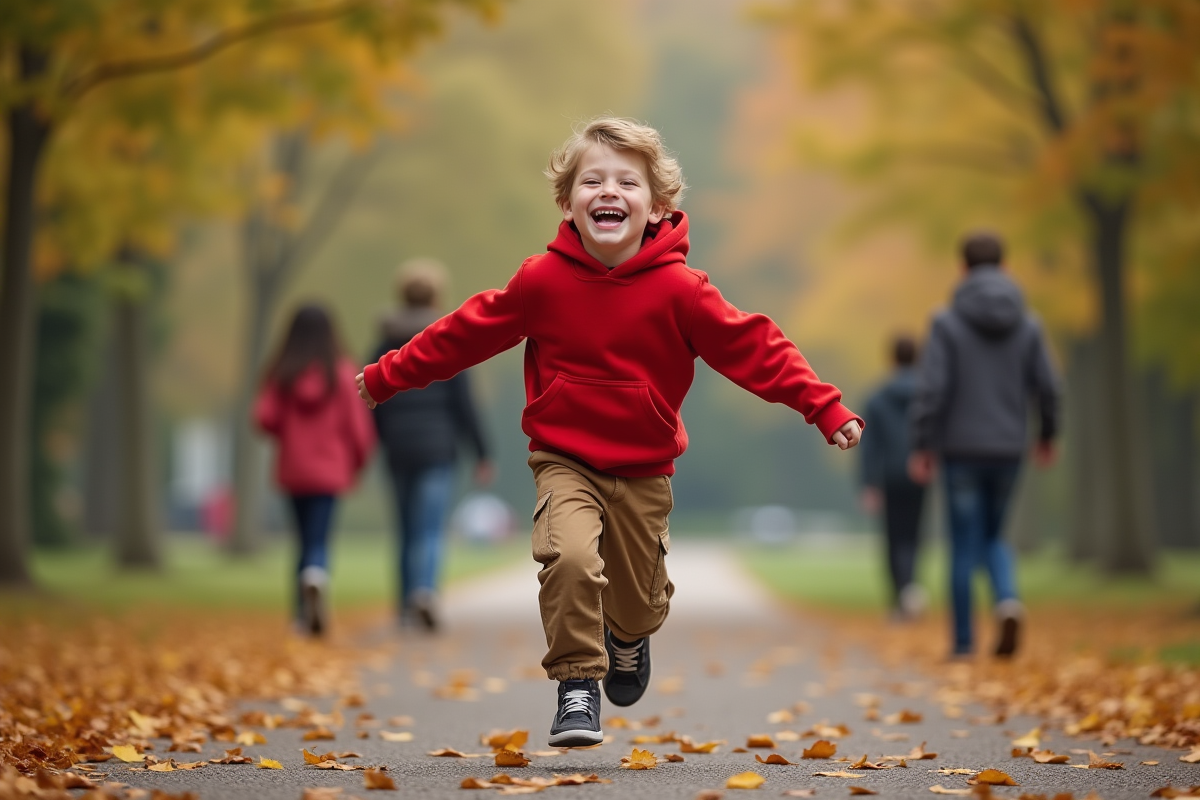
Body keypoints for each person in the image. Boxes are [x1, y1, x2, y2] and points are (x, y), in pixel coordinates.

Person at [356, 117, 863, 747]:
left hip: (645, 468)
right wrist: (386, 376)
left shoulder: (683, 291)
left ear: (656, 207)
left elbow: (755, 347)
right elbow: (464, 332)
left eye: (628, 181)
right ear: (568, 203)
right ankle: (576, 687)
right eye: (592, 180)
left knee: (639, 604)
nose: (609, 191)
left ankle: (627, 639)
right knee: (566, 559)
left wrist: (824, 406)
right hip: (564, 458)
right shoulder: (540, 281)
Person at [907, 231, 1060, 660]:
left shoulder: (945, 322)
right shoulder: (1029, 325)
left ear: (962, 269)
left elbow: (932, 389)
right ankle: (1007, 598)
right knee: (995, 534)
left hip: (960, 450)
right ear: (1005, 267)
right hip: (1009, 447)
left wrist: (922, 443)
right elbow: (1048, 386)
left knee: (962, 542)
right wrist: (1047, 435)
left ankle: (962, 642)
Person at [370, 259, 493, 633]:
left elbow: (369, 394)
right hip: (438, 446)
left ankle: (407, 605)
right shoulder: (445, 340)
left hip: (398, 448)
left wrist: (378, 439)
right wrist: (482, 452)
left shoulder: (384, 342)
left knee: (405, 528)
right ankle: (425, 590)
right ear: (437, 296)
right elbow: (464, 403)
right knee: (430, 528)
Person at [255, 304, 375, 637]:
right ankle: (316, 576)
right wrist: (360, 462)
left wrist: (288, 430)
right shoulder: (341, 372)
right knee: (319, 537)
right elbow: (359, 428)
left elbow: (263, 418)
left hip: (294, 468)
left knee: (301, 538)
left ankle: (298, 613)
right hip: (330, 470)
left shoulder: (282, 373)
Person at [860, 334, 927, 622]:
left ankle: (898, 598)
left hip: (889, 476)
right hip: (920, 473)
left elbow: (870, 445)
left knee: (892, 538)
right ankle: (910, 589)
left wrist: (869, 482)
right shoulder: (928, 395)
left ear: (892, 359)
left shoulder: (877, 398)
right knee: (914, 535)